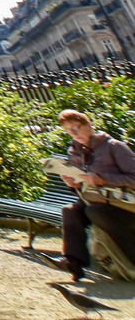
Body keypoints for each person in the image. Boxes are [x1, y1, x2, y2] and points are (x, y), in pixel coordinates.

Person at [53, 108, 135, 282]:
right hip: (98, 200)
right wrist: (74, 184)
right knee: (71, 210)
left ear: (89, 124)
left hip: (125, 204)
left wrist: (102, 179)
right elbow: (84, 186)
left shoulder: (114, 146)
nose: (73, 133)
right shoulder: (74, 152)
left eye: (76, 127)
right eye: (68, 130)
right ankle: (73, 262)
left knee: (94, 212)